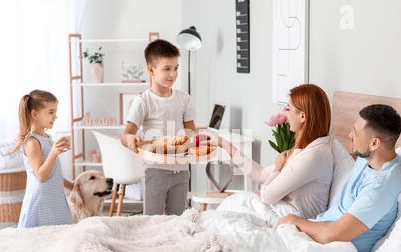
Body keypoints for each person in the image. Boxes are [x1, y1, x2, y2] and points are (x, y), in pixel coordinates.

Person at [278, 104, 401, 252]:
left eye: (355, 132)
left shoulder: (381, 187)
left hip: (337, 251)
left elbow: (333, 234)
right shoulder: (369, 158)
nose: (349, 135)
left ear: (374, 143)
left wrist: (294, 220)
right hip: (319, 230)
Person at [206, 84, 333, 219]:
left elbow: (267, 196)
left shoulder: (314, 156)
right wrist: (224, 144)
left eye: (289, 109)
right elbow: (261, 174)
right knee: (233, 204)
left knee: (234, 206)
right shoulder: (305, 150)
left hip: (292, 220)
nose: (285, 114)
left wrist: (278, 168)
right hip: (282, 212)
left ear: (302, 116)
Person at [120, 39, 197, 215]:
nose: (173, 74)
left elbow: (191, 131)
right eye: (167, 69)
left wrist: (193, 141)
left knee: (176, 220)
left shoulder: (184, 99)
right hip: (155, 170)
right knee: (151, 221)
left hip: (181, 169)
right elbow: (126, 135)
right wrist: (131, 140)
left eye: (176, 68)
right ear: (151, 70)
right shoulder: (143, 101)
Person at [14, 90, 73, 228]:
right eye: (51, 112)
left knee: (58, 235)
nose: (55, 116)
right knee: (40, 239)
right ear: (35, 114)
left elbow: (52, 173)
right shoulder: (32, 142)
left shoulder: (47, 138)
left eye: (55, 112)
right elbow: (41, 176)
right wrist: (53, 153)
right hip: (41, 201)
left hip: (53, 198)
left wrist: (71, 185)